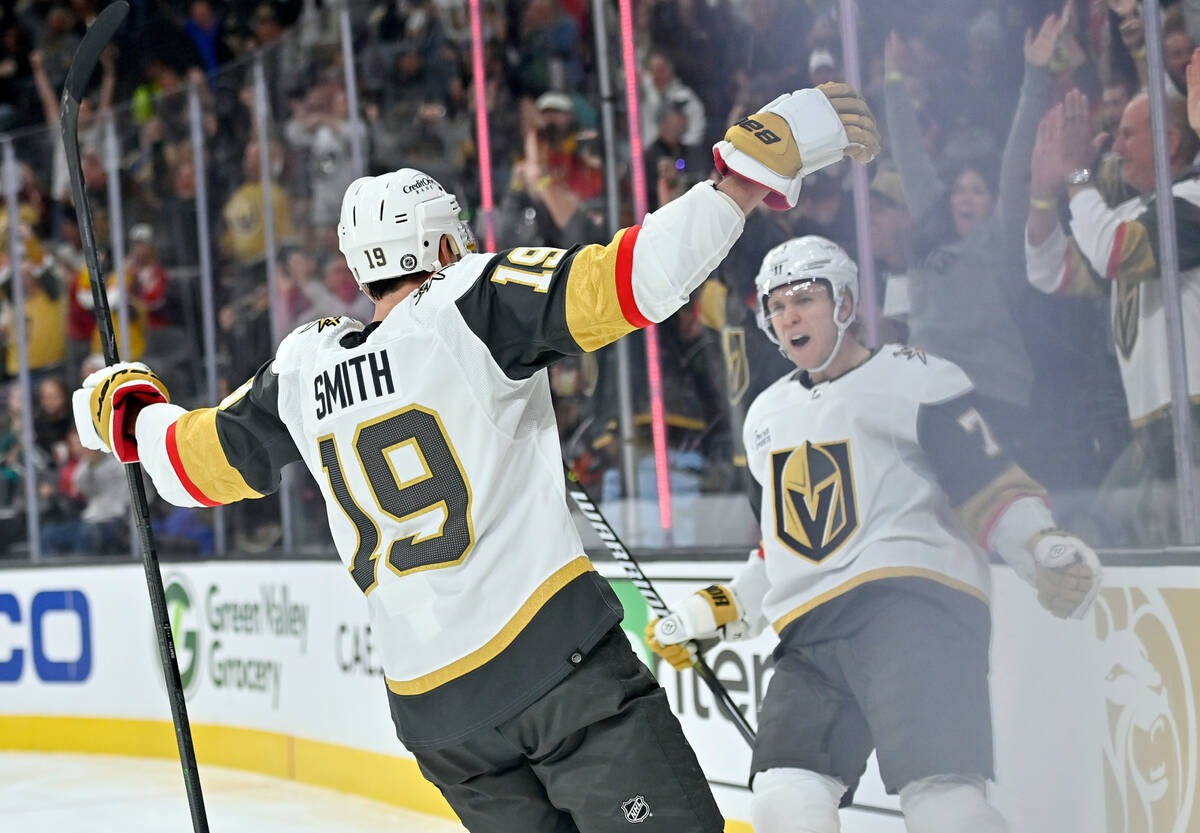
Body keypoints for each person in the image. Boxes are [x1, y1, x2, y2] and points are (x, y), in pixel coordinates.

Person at [71, 85, 881, 832]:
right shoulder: (470, 302)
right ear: (436, 239)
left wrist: (128, 413)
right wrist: (741, 178)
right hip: (553, 668)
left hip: (437, 715)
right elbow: (634, 279)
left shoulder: (301, 369)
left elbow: (190, 464)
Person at [646, 237, 1102, 833]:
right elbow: (776, 552)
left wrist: (1040, 548)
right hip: (812, 639)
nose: (790, 316)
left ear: (846, 302)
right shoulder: (764, 417)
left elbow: (988, 485)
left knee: (943, 802)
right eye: (777, 305)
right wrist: (710, 613)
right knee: (784, 799)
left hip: (914, 613)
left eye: (806, 298)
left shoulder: (918, 380)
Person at [1025, 86, 1200, 546]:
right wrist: (1044, 195)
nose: (1116, 149)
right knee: (1100, 539)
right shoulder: (1132, 214)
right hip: (1153, 432)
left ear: (1170, 141)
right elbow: (1051, 272)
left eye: (1127, 135)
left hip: (1194, 422)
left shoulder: (1193, 202)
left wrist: (1077, 176)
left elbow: (1112, 251)